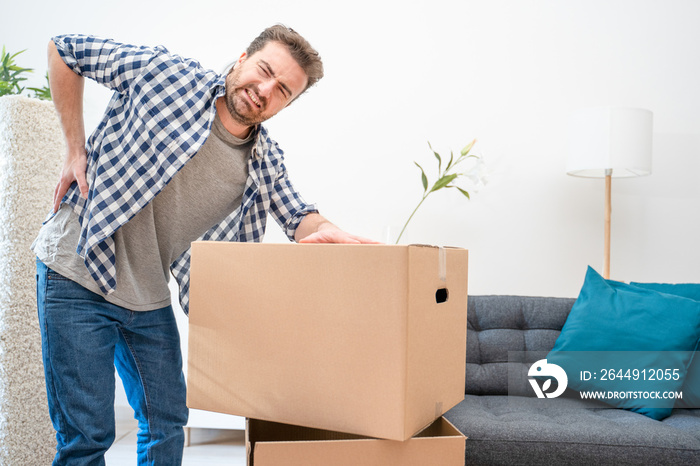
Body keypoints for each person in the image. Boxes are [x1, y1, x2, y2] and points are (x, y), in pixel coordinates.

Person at [32, 24, 377, 465]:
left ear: (287, 103)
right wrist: (74, 149)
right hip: (78, 266)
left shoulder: (262, 158)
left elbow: (298, 216)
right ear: (242, 59)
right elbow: (64, 50)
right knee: (88, 437)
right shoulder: (165, 75)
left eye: (283, 90)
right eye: (264, 70)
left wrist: (341, 236)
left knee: (167, 422)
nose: (265, 90)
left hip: (147, 294)